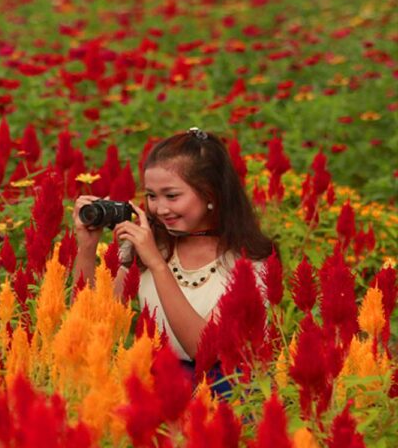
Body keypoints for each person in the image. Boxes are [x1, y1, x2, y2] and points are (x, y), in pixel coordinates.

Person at [72, 128, 274, 389]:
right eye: (151, 196)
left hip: (227, 395)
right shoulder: (152, 248)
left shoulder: (248, 264)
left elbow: (204, 351)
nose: (160, 208)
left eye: (172, 195)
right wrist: (86, 249)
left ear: (210, 194)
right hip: (157, 383)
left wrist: (157, 264)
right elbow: (93, 320)